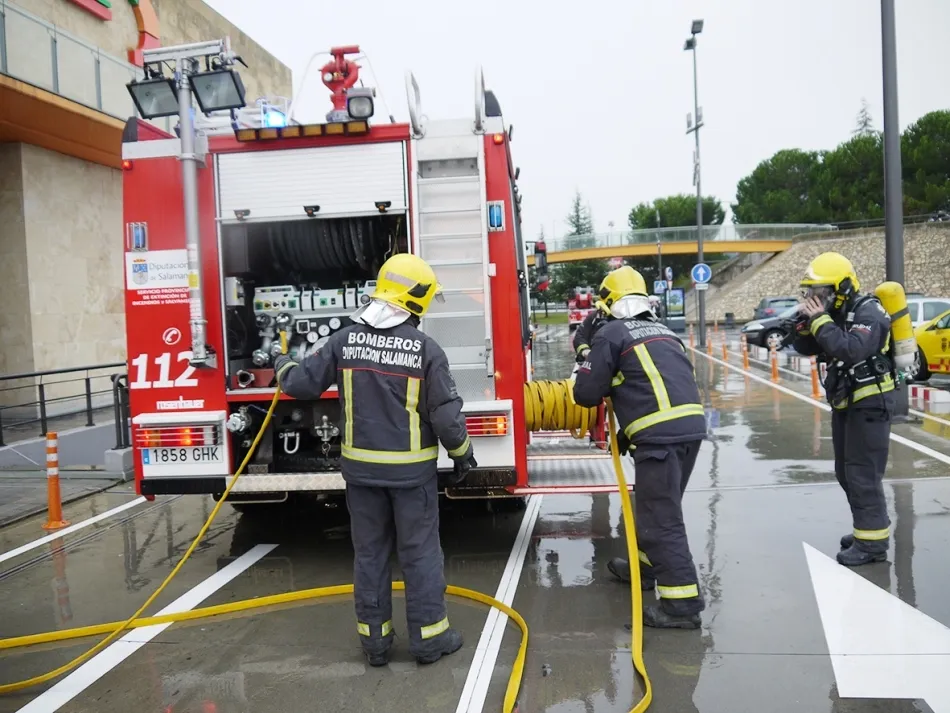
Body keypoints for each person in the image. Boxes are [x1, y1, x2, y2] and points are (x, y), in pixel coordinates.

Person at [273, 253, 478, 665]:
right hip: (411, 479)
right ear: (417, 300)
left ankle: (376, 644)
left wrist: (282, 363)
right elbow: (445, 415)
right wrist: (462, 456)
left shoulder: (345, 340)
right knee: (420, 555)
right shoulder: (426, 350)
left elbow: (301, 382)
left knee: (370, 556)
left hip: (361, 477)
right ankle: (429, 639)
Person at [573, 265, 707, 629]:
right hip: (688, 430)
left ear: (608, 304)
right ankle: (647, 569)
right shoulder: (665, 331)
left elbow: (585, 394)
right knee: (656, 508)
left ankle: (682, 605)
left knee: (660, 520)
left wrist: (587, 357)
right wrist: (628, 434)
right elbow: (653, 383)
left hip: (659, 438)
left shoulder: (612, 333)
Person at [793, 251, 895, 567]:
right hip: (847, 401)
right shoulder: (835, 313)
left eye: (821, 290)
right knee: (846, 472)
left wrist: (819, 321)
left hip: (871, 403)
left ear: (843, 288)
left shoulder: (870, 312)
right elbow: (808, 346)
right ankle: (867, 529)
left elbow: (851, 349)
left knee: (863, 474)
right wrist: (803, 325)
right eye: (811, 291)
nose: (816, 297)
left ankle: (873, 544)